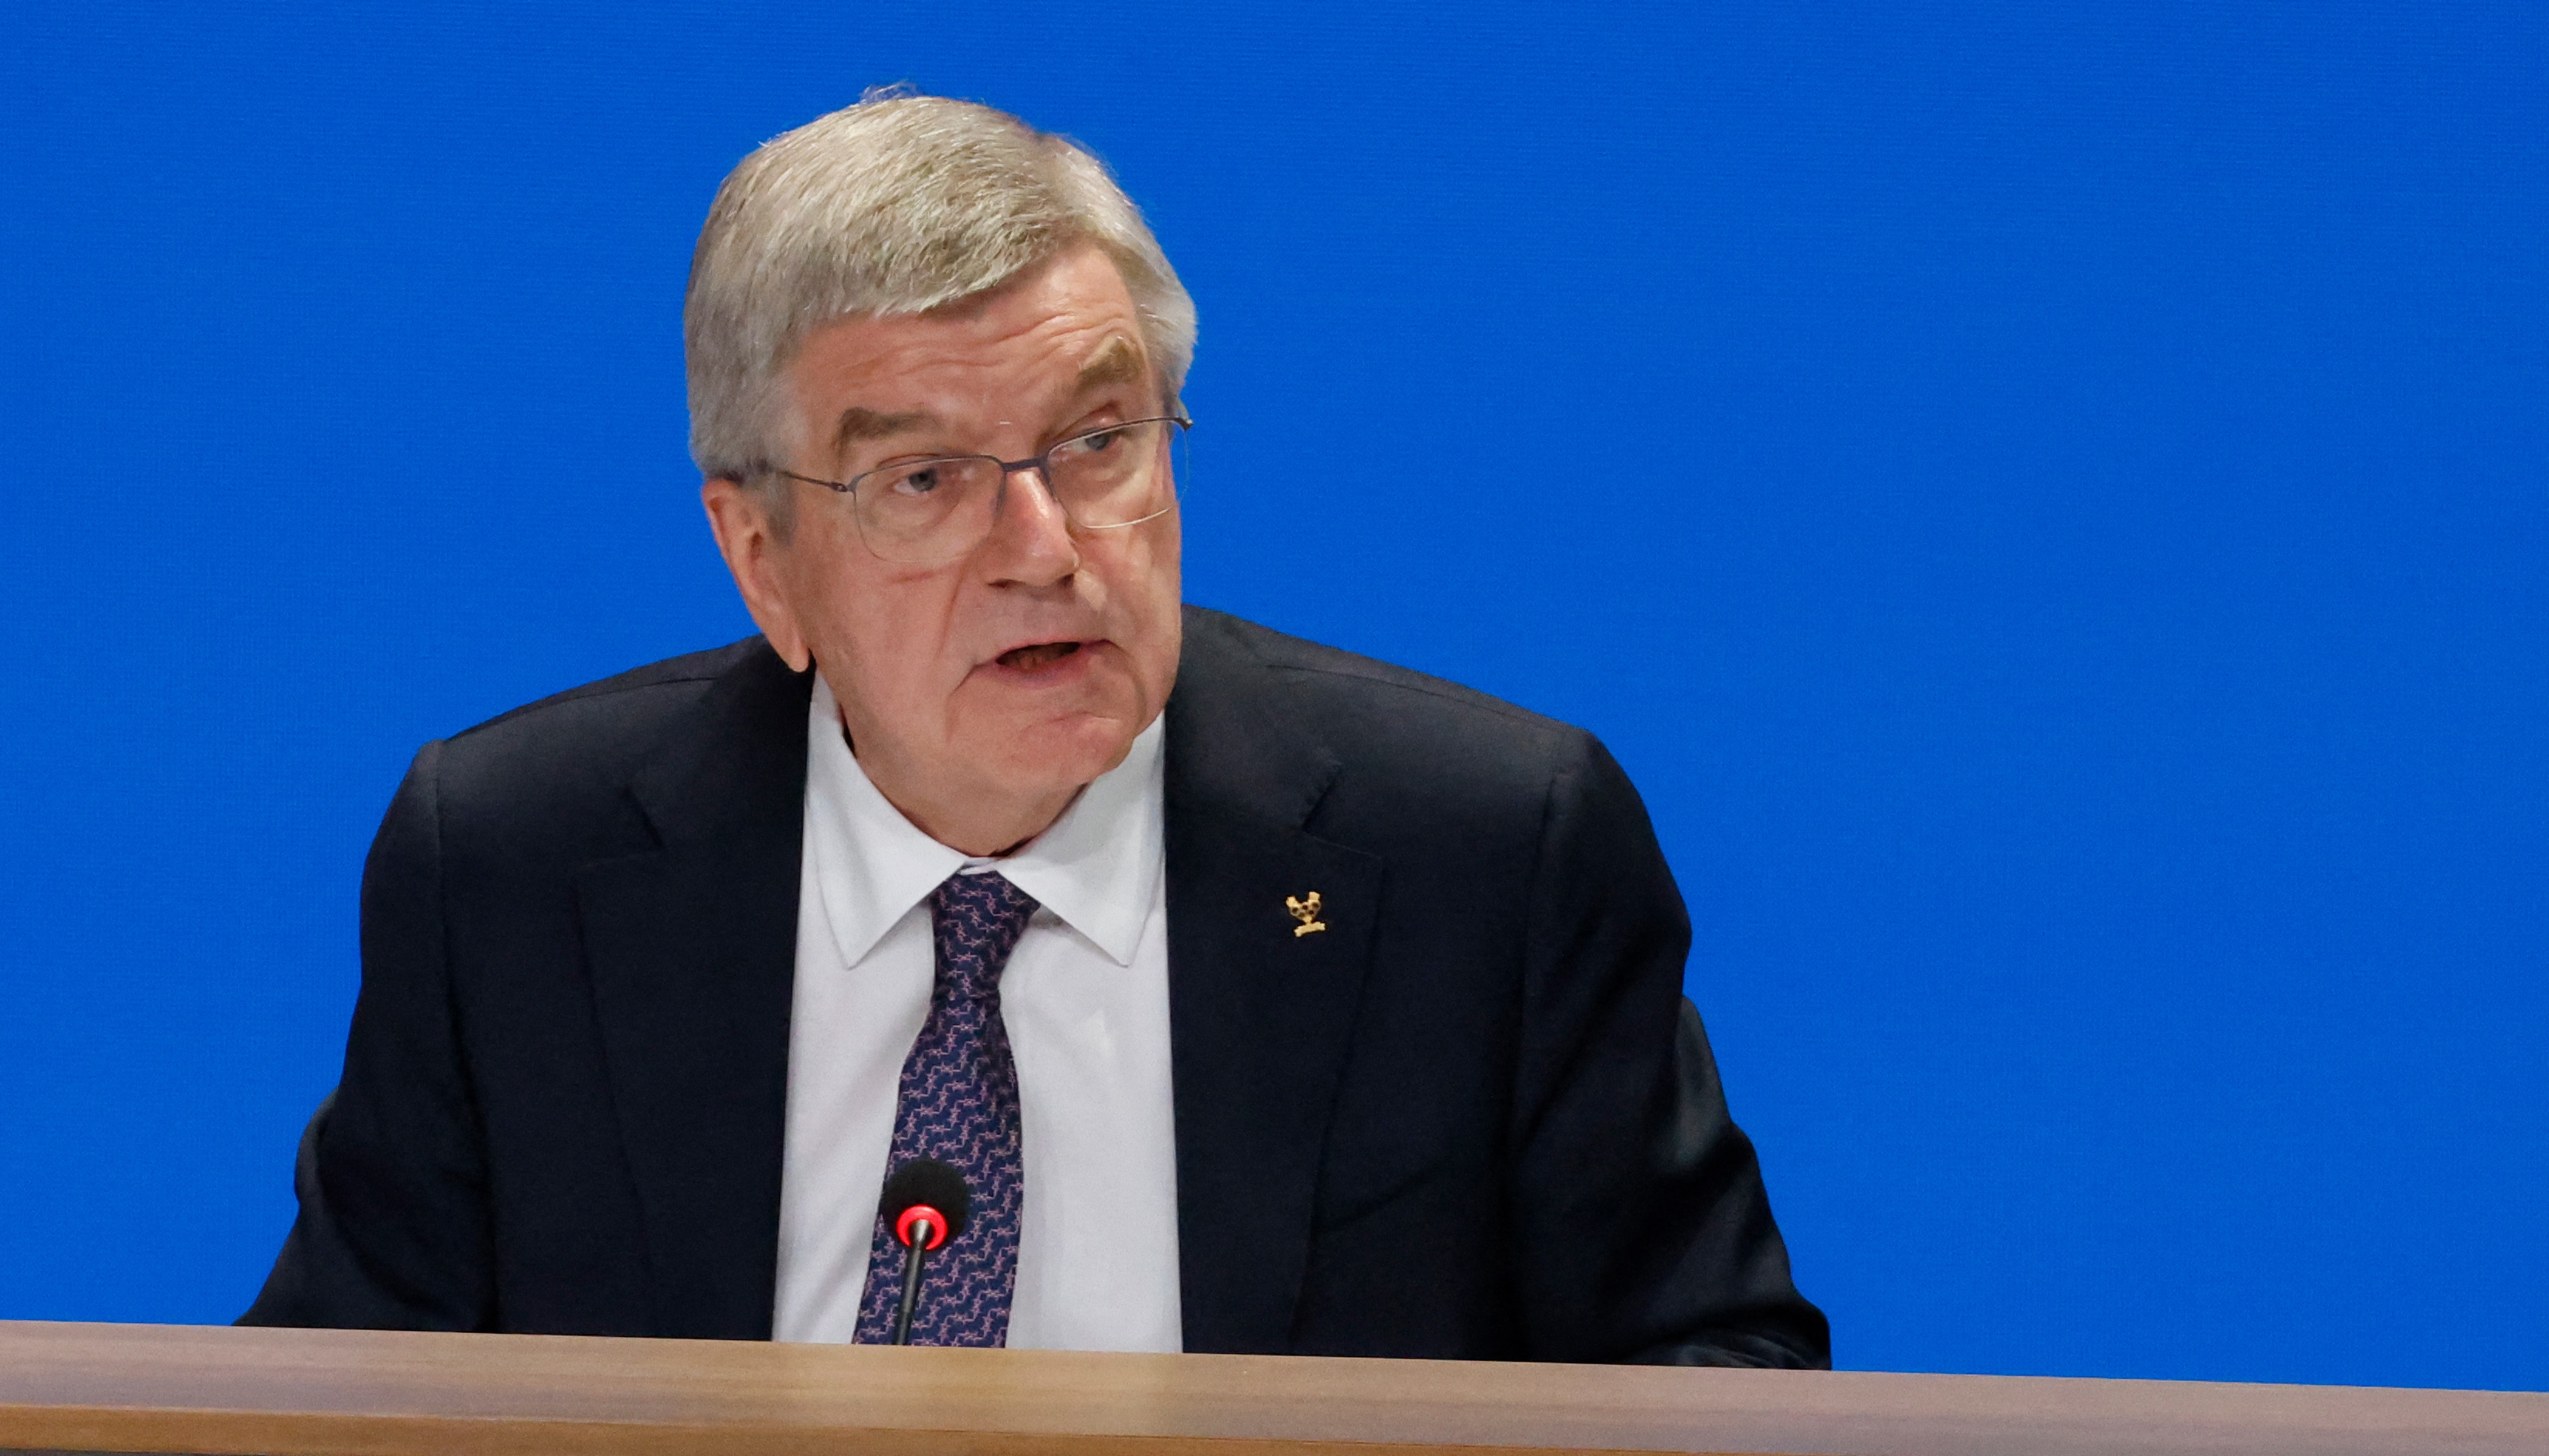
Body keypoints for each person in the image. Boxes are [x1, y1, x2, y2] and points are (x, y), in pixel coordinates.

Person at [243, 94, 1826, 1366]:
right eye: (923, 478)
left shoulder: (1484, 858)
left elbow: (1716, 1385)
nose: (1047, 546)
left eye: (1093, 441)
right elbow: (323, 1435)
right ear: (760, 561)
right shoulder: (519, 873)